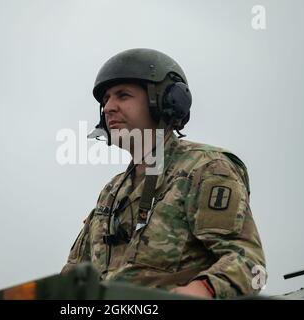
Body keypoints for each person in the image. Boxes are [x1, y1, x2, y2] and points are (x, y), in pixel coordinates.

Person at [61, 48, 266, 299]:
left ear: (165, 101)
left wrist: (202, 290)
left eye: (123, 96)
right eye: (105, 100)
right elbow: (71, 280)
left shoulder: (204, 169)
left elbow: (249, 264)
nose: (109, 108)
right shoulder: (111, 194)